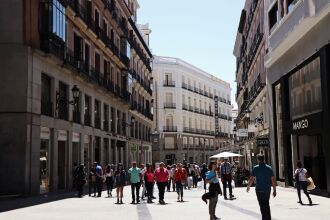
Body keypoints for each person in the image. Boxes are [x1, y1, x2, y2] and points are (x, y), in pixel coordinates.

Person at [247, 154, 277, 220]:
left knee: (262, 205)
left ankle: (264, 218)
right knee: (266, 204)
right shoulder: (269, 168)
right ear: (264, 159)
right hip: (267, 189)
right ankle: (268, 218)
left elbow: (251, 179)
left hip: (259, 190)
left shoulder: (256, 168)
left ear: (258, 160)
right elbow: (273, 179)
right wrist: (274, 190)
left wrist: (248, 186)